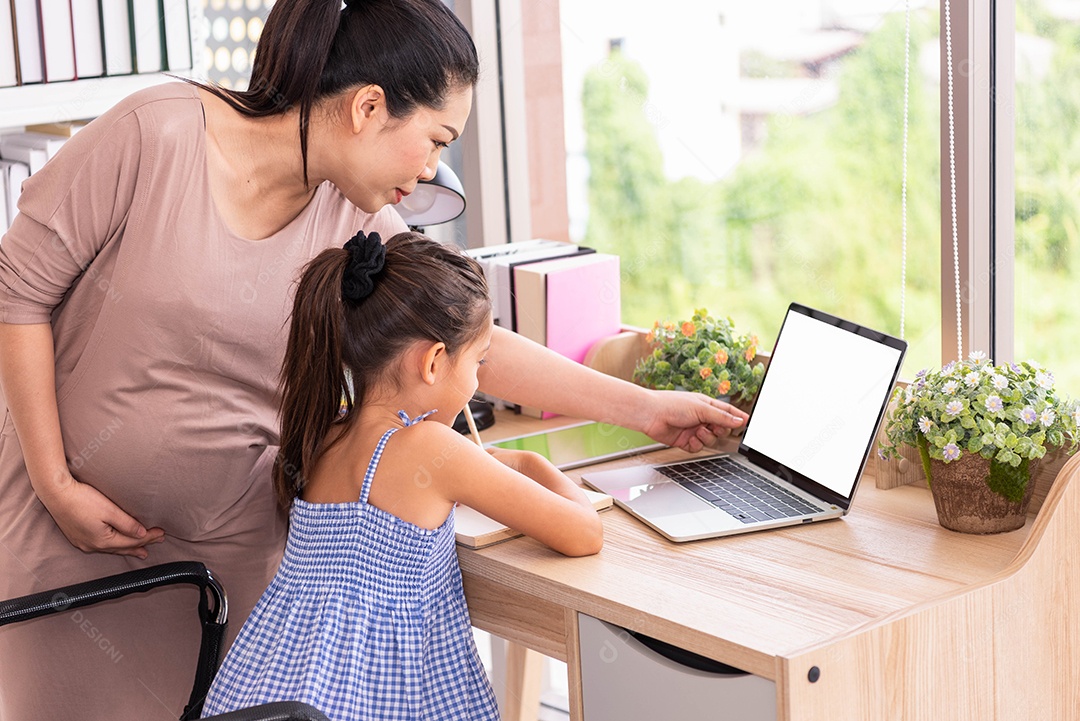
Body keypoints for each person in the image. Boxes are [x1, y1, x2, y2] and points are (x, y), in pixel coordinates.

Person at [0, 0, 745, 717]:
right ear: (366, 108)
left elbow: (462, 337)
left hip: (237, 575)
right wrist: (57, 480)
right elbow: (17, 290)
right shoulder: (155, 134)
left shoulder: (349, 215)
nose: (431, 172)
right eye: (437, 139)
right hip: (69, 542)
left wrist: (645, 406)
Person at [202, 230, 602, 719]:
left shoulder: (320, 434)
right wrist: (534, 463)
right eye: (478, 362)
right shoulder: (434, 448)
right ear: (434, 361)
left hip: (274, 689)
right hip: (382, 697)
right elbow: (583, 533)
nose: (477, 381)